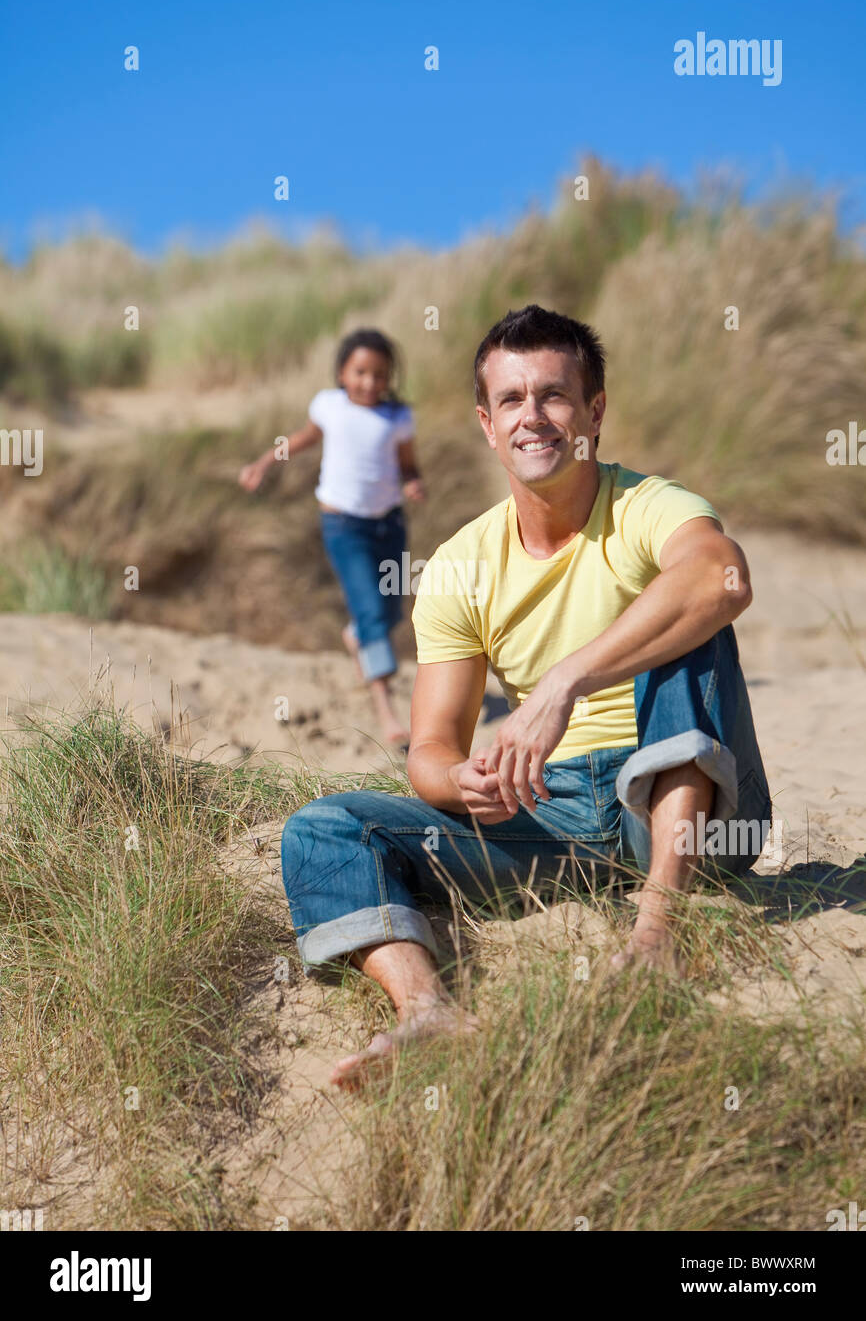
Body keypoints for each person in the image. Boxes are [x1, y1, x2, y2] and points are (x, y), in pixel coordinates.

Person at [280, 305, 772, 1088]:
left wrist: (563, 682)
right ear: (487, 423)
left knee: (689, 619)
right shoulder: (459, 566)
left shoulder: (648, 506)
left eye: (554, 395)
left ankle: (657, 930)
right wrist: (460, 780)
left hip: (692, 813)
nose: (532, 416)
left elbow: (725, 577)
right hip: (552, 817)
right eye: (511, 399)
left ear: (594, 412)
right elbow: (431, 750)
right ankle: (427, 1012)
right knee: (323, 829)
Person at [239, 328, 425, 748]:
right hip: (343, 526)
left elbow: (408, 464)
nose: (370, 382)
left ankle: (356, 636)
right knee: (373, 614)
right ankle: (386, 709)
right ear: (342, 372)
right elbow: (302, 439)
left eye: (380, 374)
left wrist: (414, 482)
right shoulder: (329, 406)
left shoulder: (397, 417)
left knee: (390, 610)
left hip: (389, 524)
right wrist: (263, 463)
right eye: (360, 372)